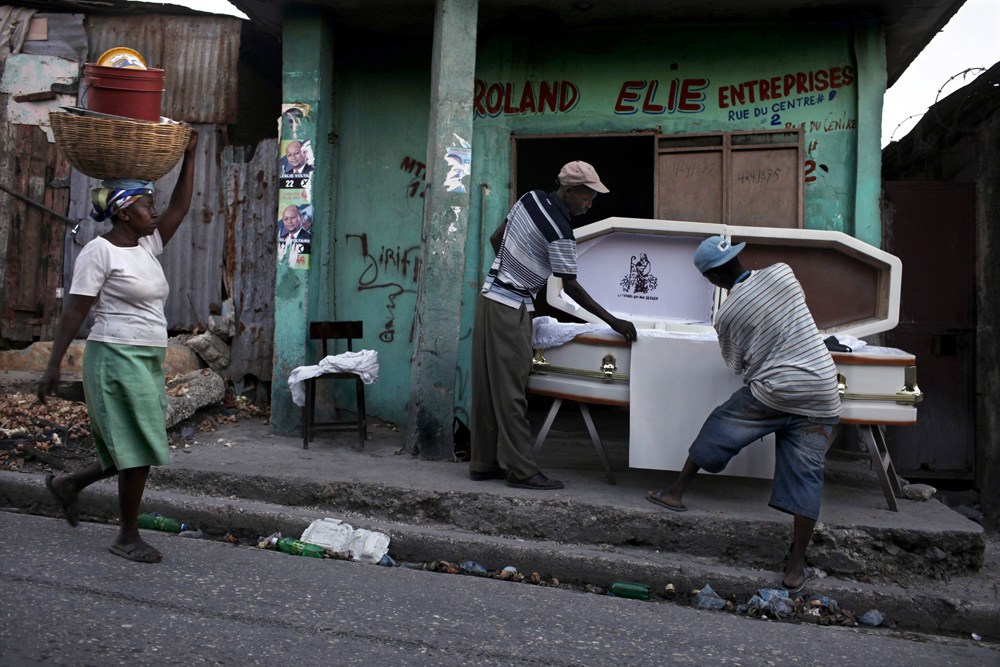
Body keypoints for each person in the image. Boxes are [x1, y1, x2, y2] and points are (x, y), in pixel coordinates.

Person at [39, 128, 199, 563]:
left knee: (136, 445)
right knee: (137, 448)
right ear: (125, 212)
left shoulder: (148, 244)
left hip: (147, 356)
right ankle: (126, 536)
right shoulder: (99, 252)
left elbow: (181, 206)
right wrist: (54, 366)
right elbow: (74, 312)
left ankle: (69, 484)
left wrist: (191, 156)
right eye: (147, 204)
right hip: (113, 355)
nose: (155, 210)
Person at [646, 236, 841, 593]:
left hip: (774, 393)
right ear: (737, 257)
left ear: (712, 280)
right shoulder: (784, 273)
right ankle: (795, 568)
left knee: (720, 424)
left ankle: (675, 492)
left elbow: (737, 365)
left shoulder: (727, 315)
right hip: (823, 393)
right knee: (808, 475)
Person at [470, 161, 637, 490]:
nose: (589, 205)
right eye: (586, 198)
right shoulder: (561, 231)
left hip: (489, 298)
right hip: (511, 307)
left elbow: (497, 237)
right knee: (512, 392)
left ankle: (482, 463)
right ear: (570, 191)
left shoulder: (528, 199)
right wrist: (613, 320)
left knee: (487, 387)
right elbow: (571, 286)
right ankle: (522, 470)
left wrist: (511, 271)